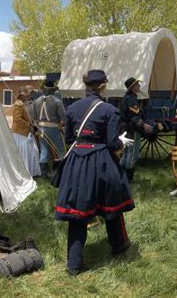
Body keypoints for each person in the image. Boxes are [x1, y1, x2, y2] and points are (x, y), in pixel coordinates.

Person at [55, 70, 135, 276]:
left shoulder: (71, 108)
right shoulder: (109, 109)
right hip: (100, 162)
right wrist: (121, 142)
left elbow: (68, 140)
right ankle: (118, 245)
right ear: (102, 86)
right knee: (112, 205)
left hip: (76, 162)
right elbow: (112, 143)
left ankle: (73, 265)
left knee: (77, 213)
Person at [119, 77, 152, 182]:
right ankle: (128, 178)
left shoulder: (126, 98)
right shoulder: (131, 99)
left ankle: (121, 175)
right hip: (132, 129)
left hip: (126, 129)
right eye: (137, 84)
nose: (139, 86)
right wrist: (144, 125)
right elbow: (133, 116)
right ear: (133, 87)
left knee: (126, 152)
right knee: (132, 153)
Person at [33, 79, 66, 177]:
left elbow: (34, 118)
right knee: (60, 150)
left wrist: (38, 128)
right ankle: (58, 173)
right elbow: (63, 118)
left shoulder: (36, 101)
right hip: (54, 128)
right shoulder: (57, 101)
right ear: (53, 90)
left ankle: (44, 174)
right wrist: (62, 127)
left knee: (44, 151)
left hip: (41, 129)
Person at [11, 86, 41, 177]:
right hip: (20, 133)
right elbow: (17, 119)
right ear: (21, 95)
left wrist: (32, 122)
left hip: (26, 132)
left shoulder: (23, 104)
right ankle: (24, 172)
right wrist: (29, 124)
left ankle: (31, 172)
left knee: (32, 151)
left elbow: (27, 116)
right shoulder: (18, 105)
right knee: (24, 153)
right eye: (26, 95)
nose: (27, 97)